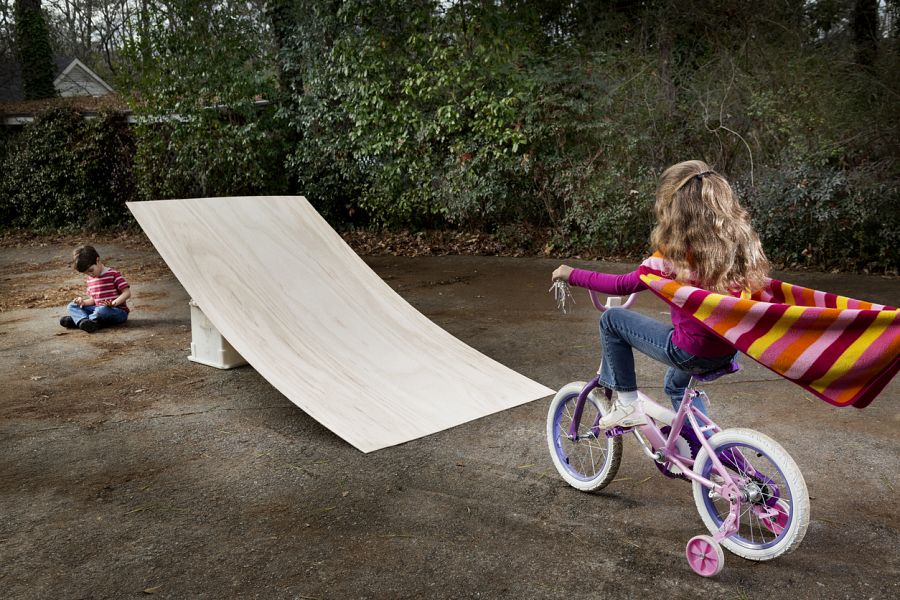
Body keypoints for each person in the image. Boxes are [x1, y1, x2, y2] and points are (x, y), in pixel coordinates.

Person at [551, 160, 769, 429]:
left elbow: (621, 285)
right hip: (727, 346)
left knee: (612, 321)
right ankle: (707, 445)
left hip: (692, 351)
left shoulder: (671, 259)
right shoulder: (736, 248)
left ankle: (628, 404)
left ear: (673, 210)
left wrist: (570, 274)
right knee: (674, 385)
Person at [59, 245, 132, 333]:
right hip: (98, 310)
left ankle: (79, 320)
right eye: (86, 273)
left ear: (97, 260)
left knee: (102, 310)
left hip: (117, 312)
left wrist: (113, 303)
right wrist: (83, 302)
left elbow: (127, 293)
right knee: (72, 306)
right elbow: (94, 300)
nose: (90, 274)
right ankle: (85, 321)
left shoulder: (113, 274)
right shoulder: (90, 279)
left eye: (91, 270)